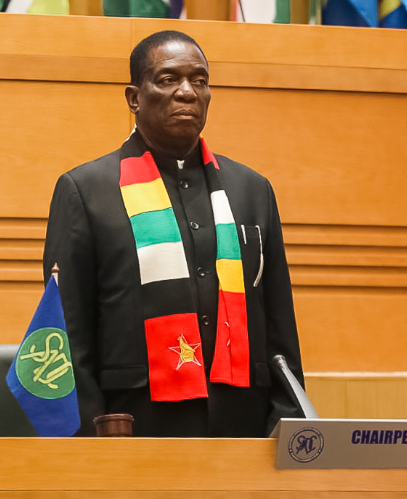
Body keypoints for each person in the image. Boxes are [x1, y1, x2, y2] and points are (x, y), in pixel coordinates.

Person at [43, 30, 304, 437]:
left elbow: (279, 324)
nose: (187, 92)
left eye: (199, 81)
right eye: (168, 80)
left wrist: (285, 423)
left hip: (242, 430)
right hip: (135, 432)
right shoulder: (86, 190)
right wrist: (90, 443)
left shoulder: (251, 190)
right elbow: (67, 333)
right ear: (134, 97)